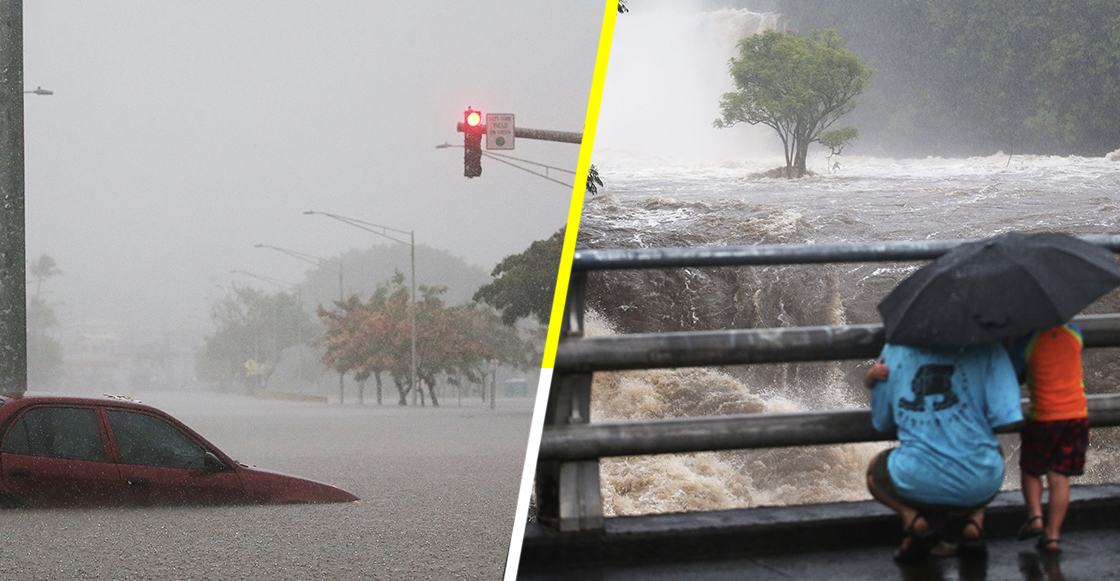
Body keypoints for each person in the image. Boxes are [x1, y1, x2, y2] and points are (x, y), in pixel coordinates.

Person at [864, 340, 1024, 561]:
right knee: (991, 449)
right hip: (979, 483)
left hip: (917, 478)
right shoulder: (991, 349)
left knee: (874, 471)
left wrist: (872, 380)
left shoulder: (894, 350)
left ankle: (912, 520)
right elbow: (1007, 420)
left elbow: (881, 423)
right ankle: (974, 523)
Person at [1009, 324, 1089, 555]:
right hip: (1077, 416)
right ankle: (1052, 536)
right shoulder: (1075, 332)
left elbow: (1013, 375)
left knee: (1031, 469)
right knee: (1059, 476)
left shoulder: (1027, 341)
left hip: (1044, 417)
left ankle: (1035, 517)